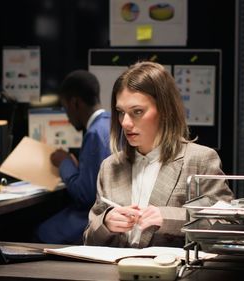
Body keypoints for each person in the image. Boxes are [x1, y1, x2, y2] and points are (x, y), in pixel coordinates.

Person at [83, 61, 234, 248]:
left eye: (137, 112)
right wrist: (105, 224)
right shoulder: (110, 166)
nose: (125, 123)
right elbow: (88, 238)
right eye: (121, 112)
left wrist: (170, 218)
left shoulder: (200, 160)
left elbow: (227, 228)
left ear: (165, 110)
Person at [36, 70, 111, 244]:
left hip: (95, 216)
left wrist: (65, 162)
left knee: (41, 232)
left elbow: (84, 196)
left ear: (75, 102)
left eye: (65, 107)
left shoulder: (94, 133)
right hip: (111, 212)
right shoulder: (110, 123)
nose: (67, 117)